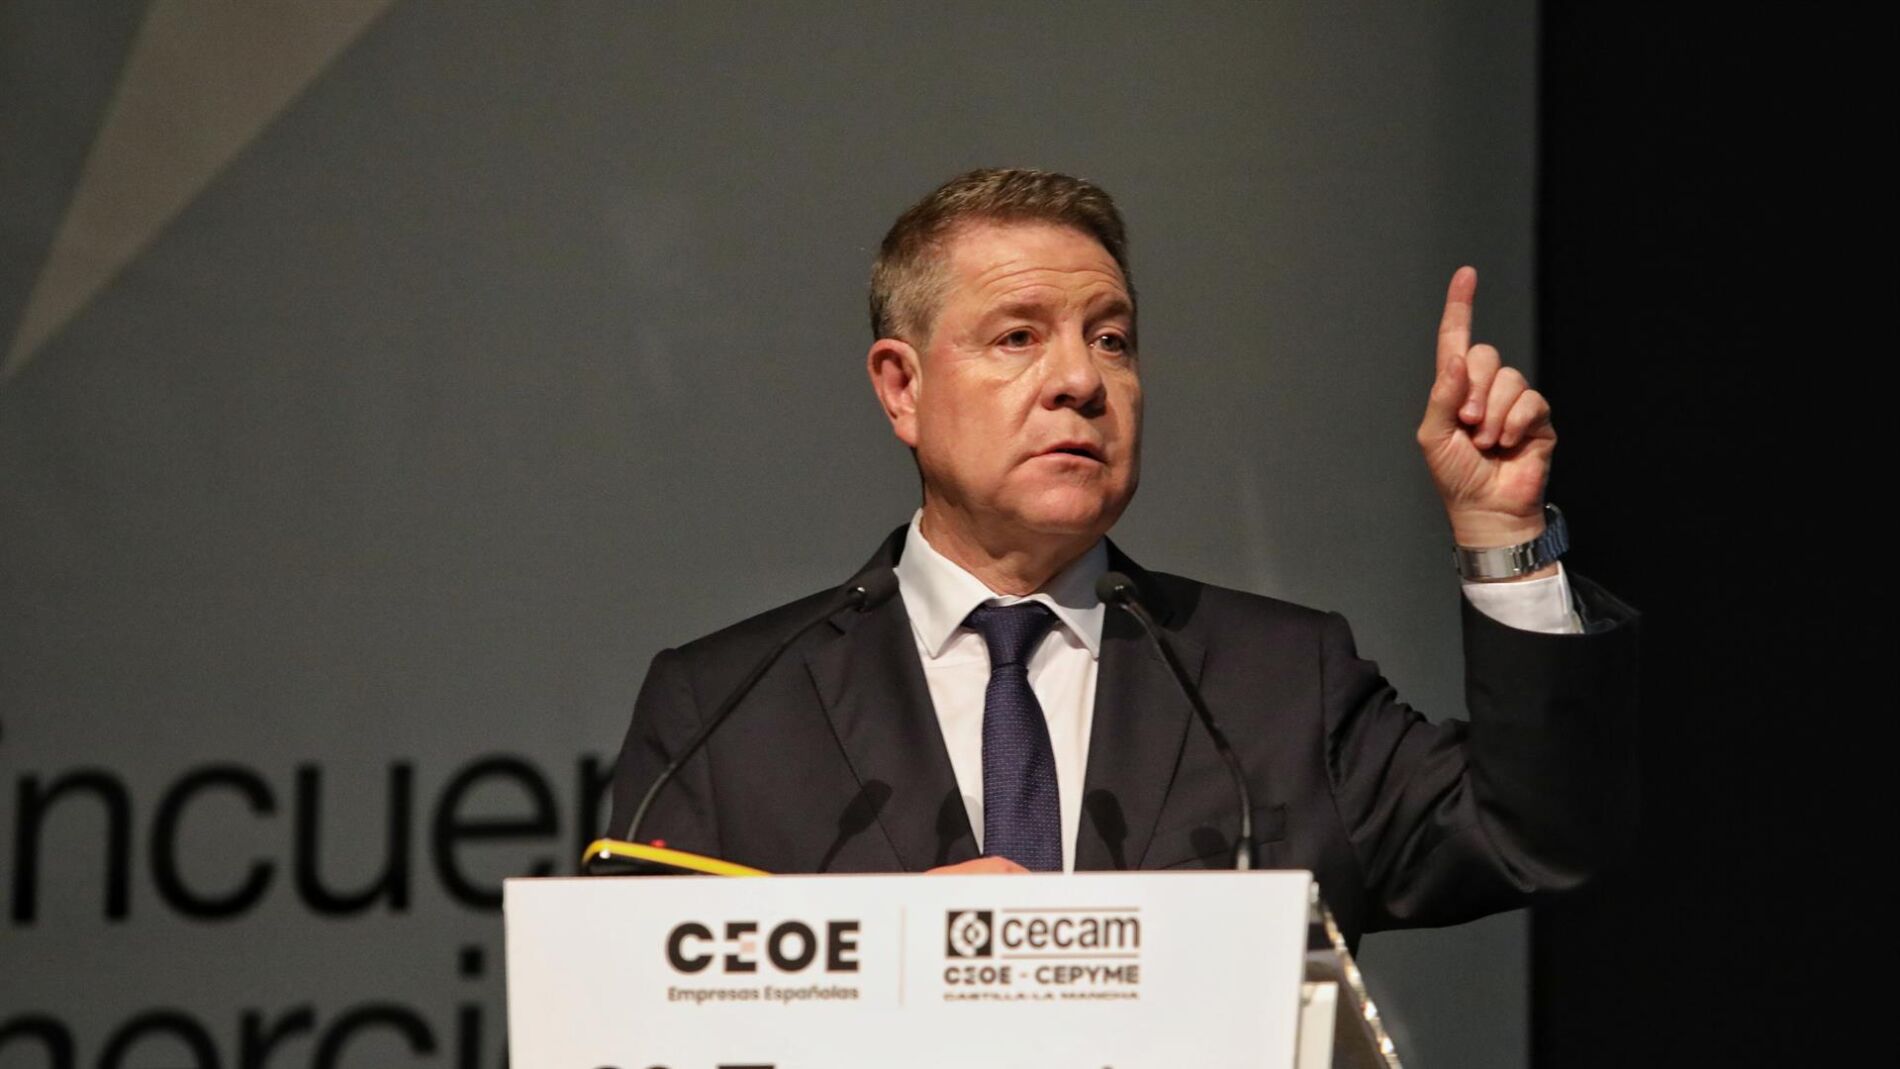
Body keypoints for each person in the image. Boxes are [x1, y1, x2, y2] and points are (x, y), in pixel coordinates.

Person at [606, 168, 1636, 949]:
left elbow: (1534, 835)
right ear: (901, 388)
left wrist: (1504, 536)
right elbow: (627, 1016)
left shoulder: (1278, 683)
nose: (1081, 381)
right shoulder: (728, 714)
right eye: (1018, 337)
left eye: (1111, 339)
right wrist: (882, 963)